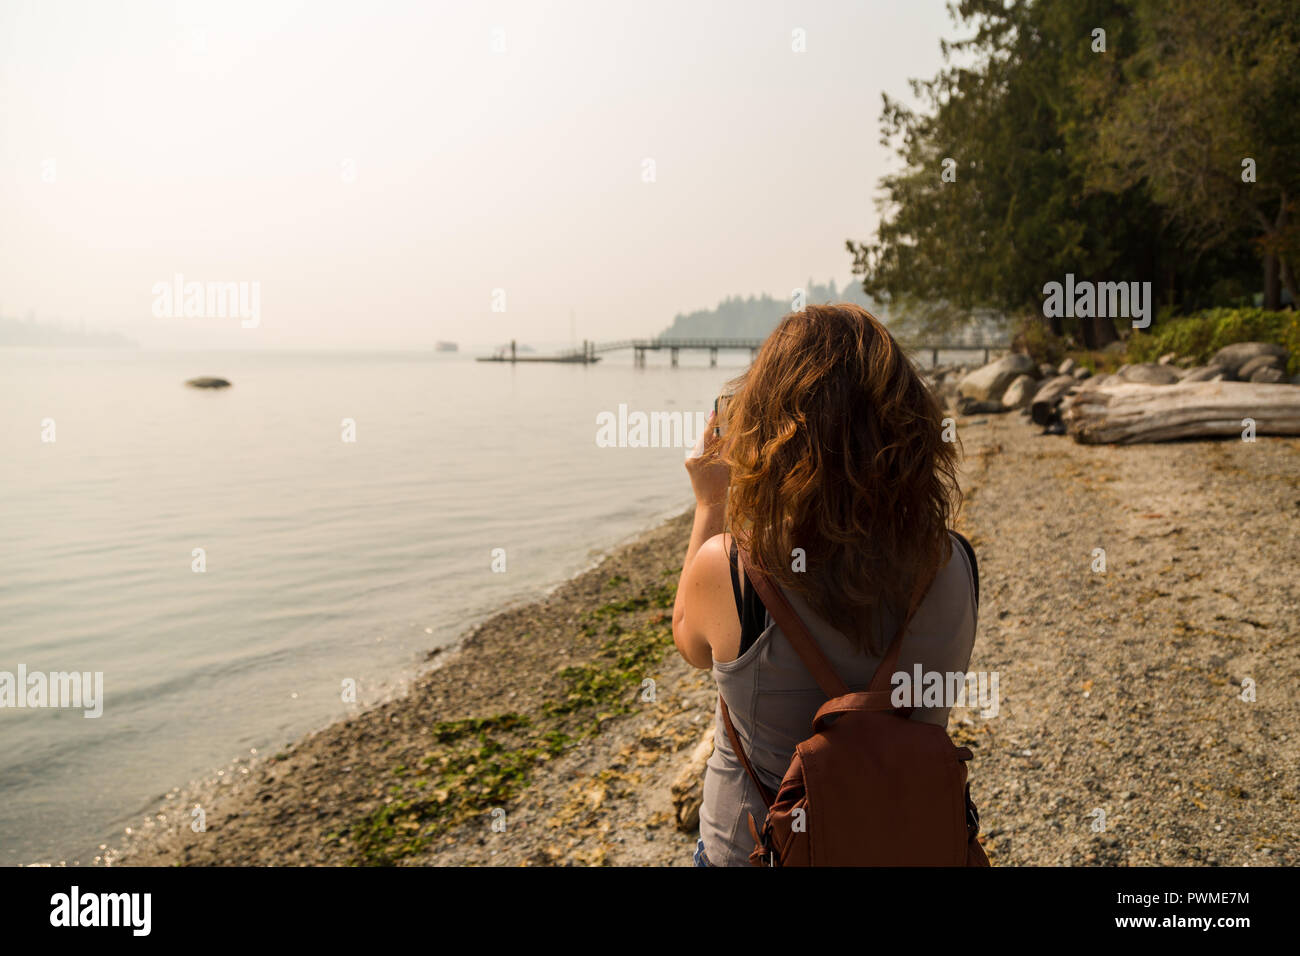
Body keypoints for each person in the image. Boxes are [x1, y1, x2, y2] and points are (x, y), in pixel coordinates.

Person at [672, 303, 978, 867]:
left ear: (766, 429)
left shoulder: (734, 569)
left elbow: (689, 642)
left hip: (756, 854)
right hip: (910, 847)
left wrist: (712, 503)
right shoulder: (954, 561)